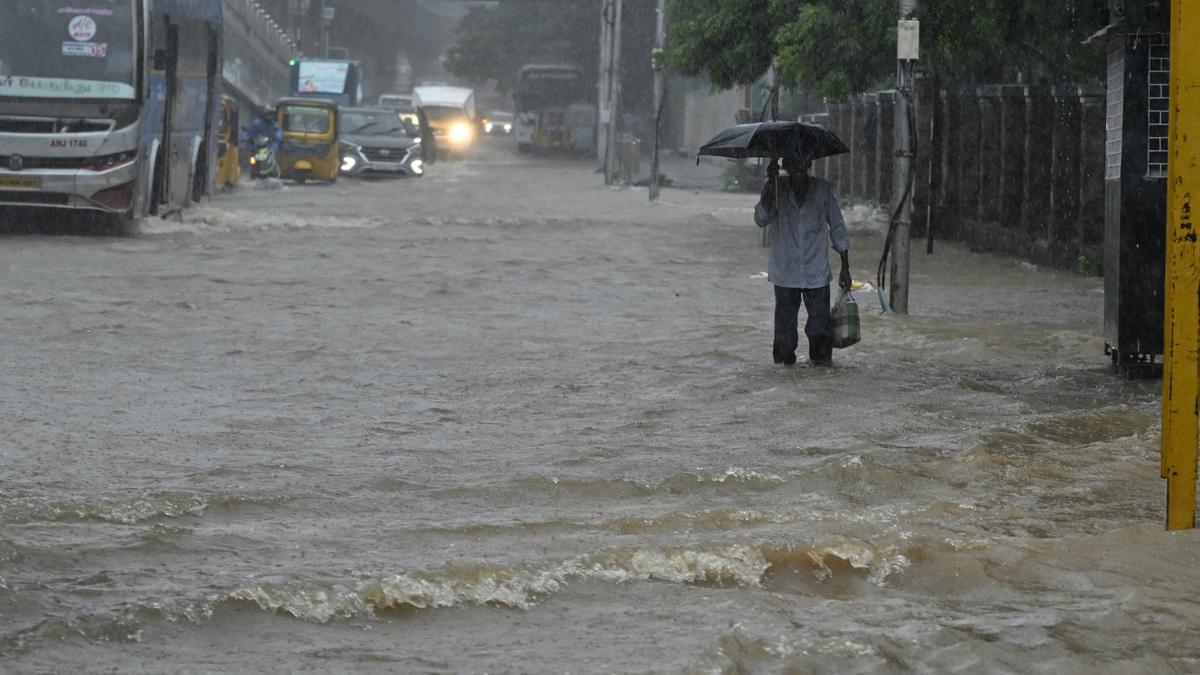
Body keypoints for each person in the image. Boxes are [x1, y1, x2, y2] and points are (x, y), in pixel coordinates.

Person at [754, 155, 851, 367]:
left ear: (808, 164)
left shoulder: (822, 190)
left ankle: (820, 374)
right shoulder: (776, 188)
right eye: (793, 163)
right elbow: (761, 218)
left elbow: (837, 226)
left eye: (802, 162)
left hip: (815, 272)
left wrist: (845, 266)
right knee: (784, 336)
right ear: (786, 166)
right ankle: (785, 377)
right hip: (785, 272)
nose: (797, 167)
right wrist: (770, 183)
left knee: (820, 331)